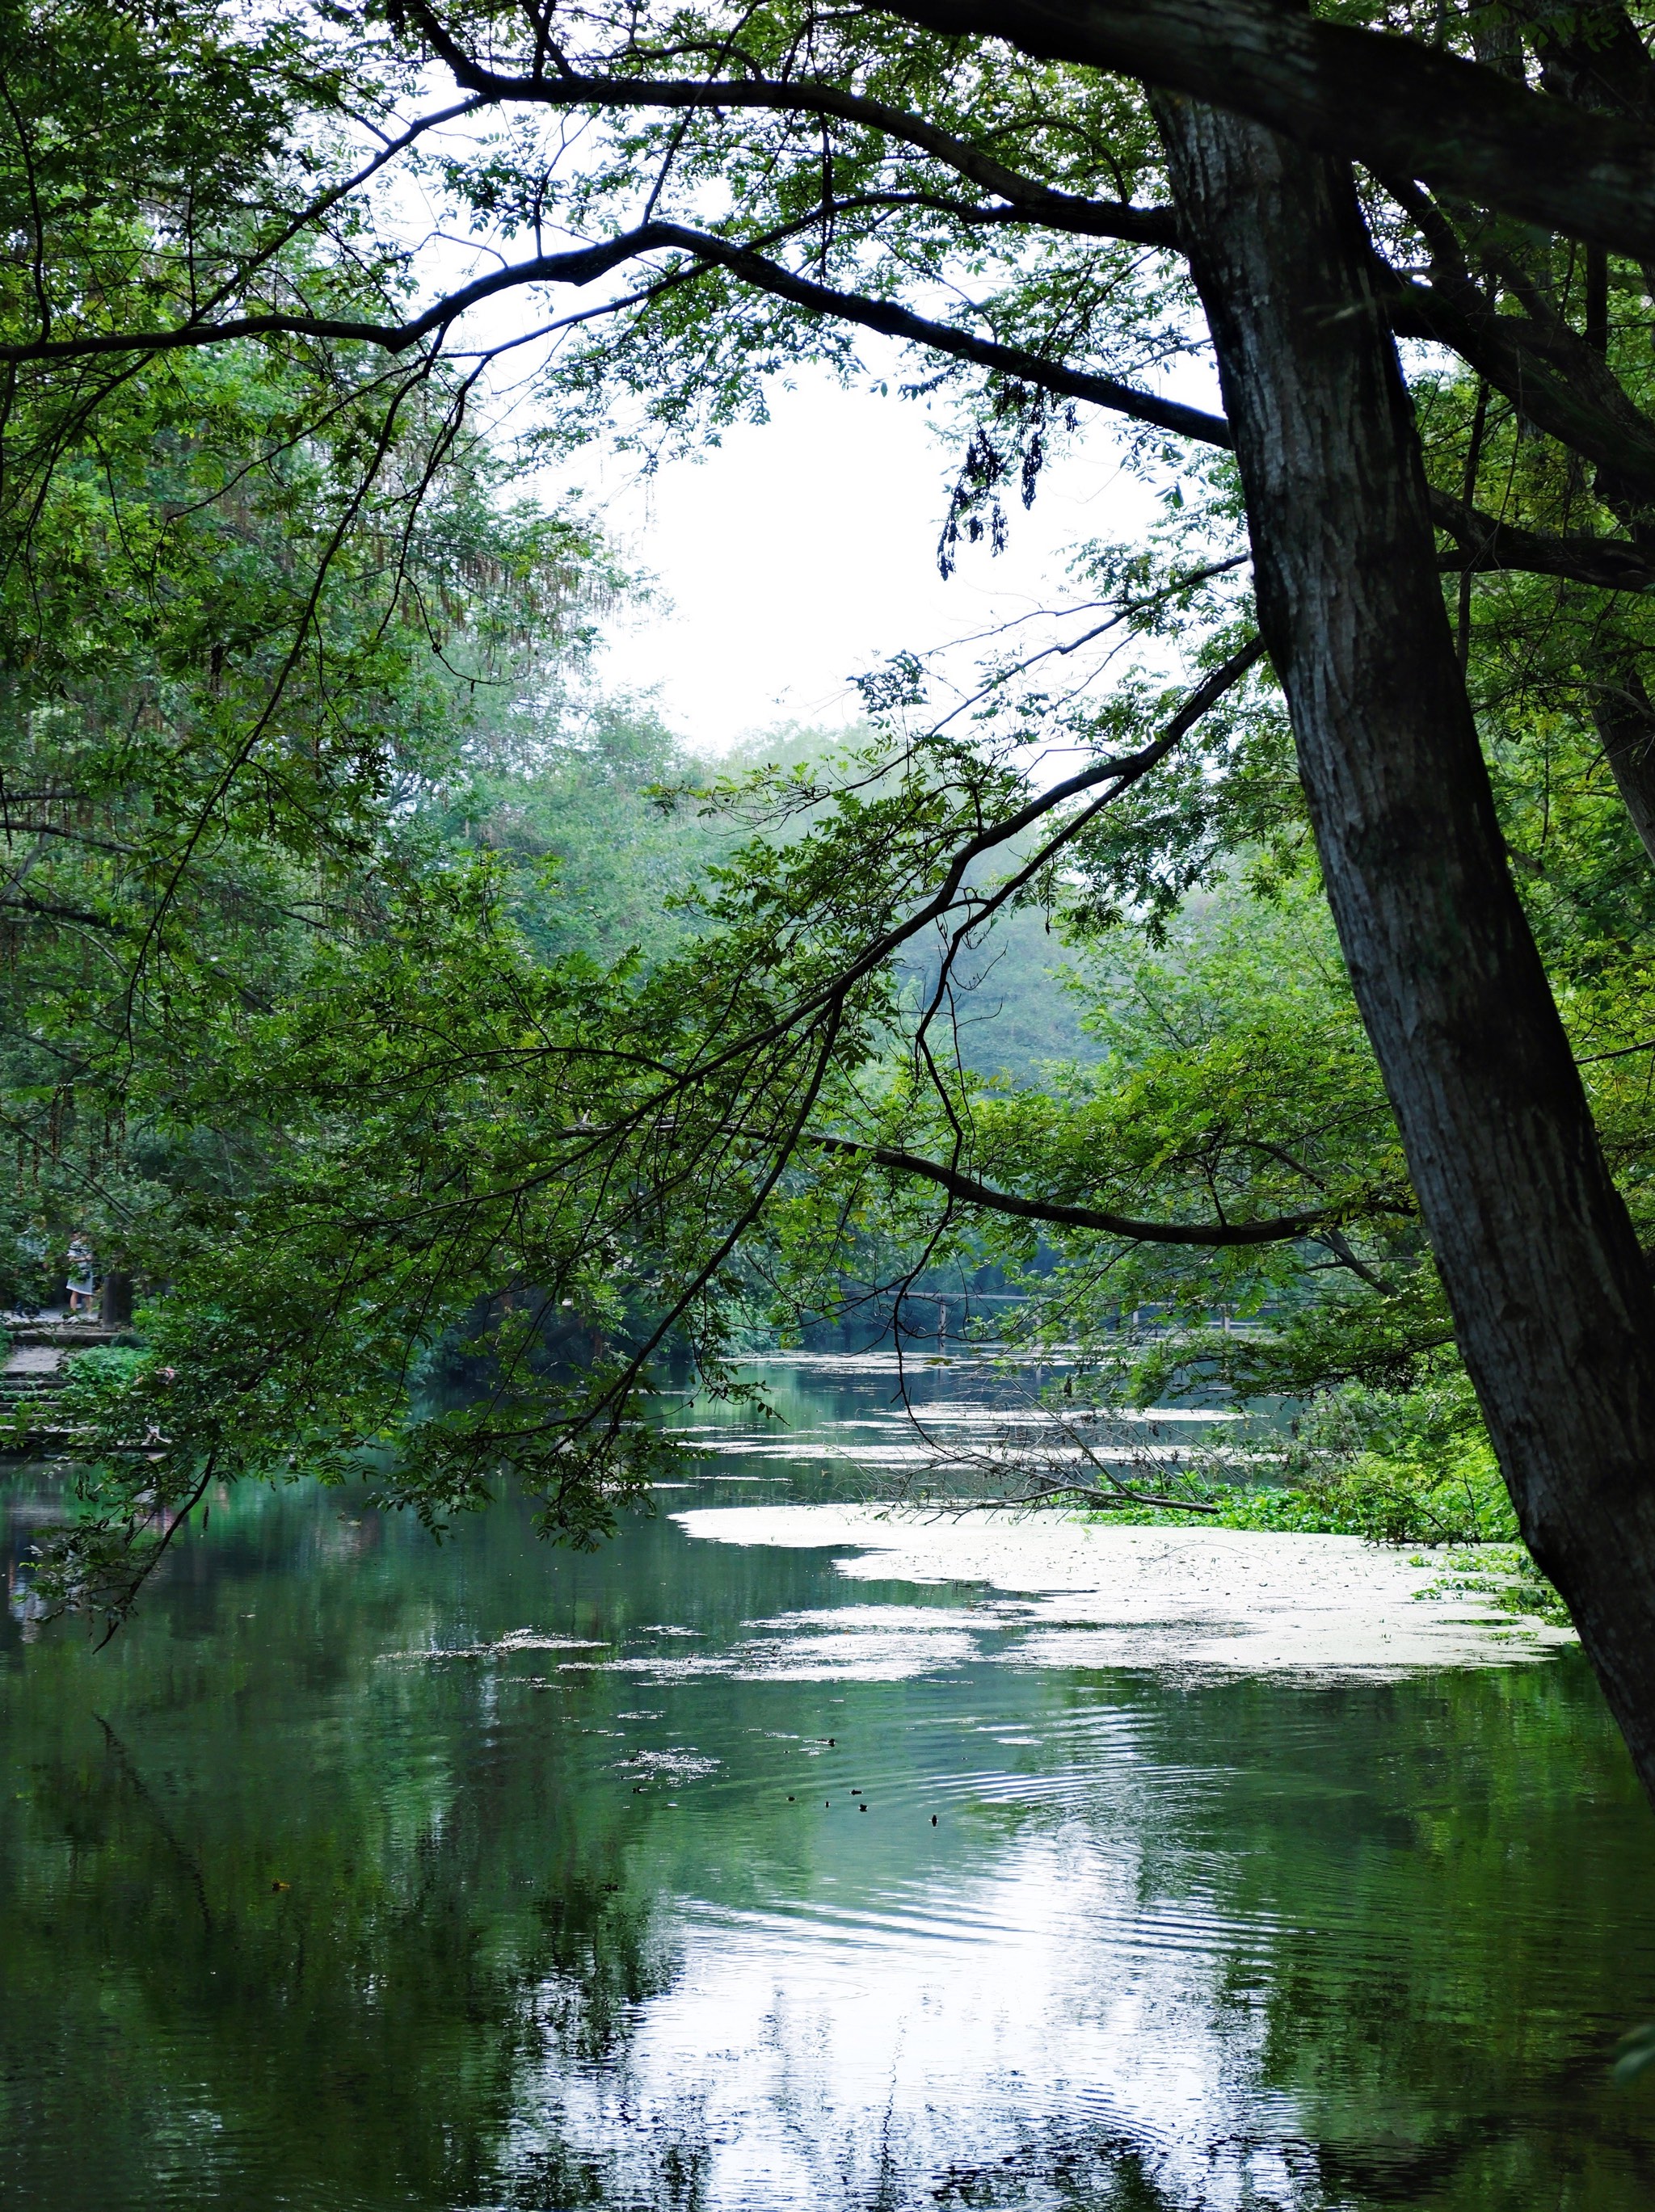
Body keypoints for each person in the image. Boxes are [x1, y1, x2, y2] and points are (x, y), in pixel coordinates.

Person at [65, 1231, 97, 1317]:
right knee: (75, 1292)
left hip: (88, 1270)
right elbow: (71, 1259)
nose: (86, 1237)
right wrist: (84, 1259)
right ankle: (73, 1314)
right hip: (77, 1270)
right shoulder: (74, 1245)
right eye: (84, 1235)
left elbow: (92, 1258)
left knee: (88, 1293)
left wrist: (90, 1258)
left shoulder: (89, 1246)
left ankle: (89, 1314)